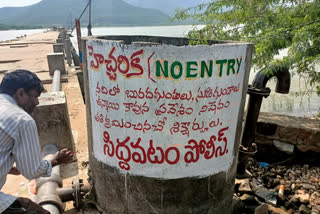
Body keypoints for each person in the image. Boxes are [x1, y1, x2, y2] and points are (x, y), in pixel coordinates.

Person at [0, 70, 74, 214]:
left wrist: (7, 167)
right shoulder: (22, 120)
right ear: (21, 93)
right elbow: (31, 171)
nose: (37, 102)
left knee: (25, 202)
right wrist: (55, 161)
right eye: (35, 97)